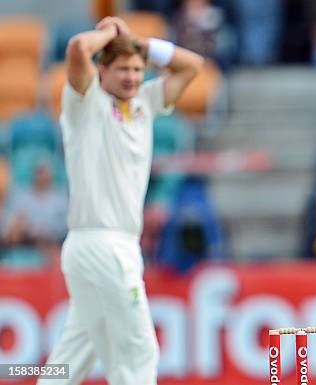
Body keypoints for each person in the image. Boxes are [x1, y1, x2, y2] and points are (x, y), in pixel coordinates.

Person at [37, 17, 204, 385]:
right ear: (102, 70)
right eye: (122, 69)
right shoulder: (85, 103)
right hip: (102, 242)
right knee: (139, 350)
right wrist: (112, 34)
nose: (131, 77)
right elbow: (78, 48)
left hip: (106, 247)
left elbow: (193, 66)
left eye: (137, 70)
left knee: (75, 352)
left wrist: (140, 43)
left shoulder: (145, 102)